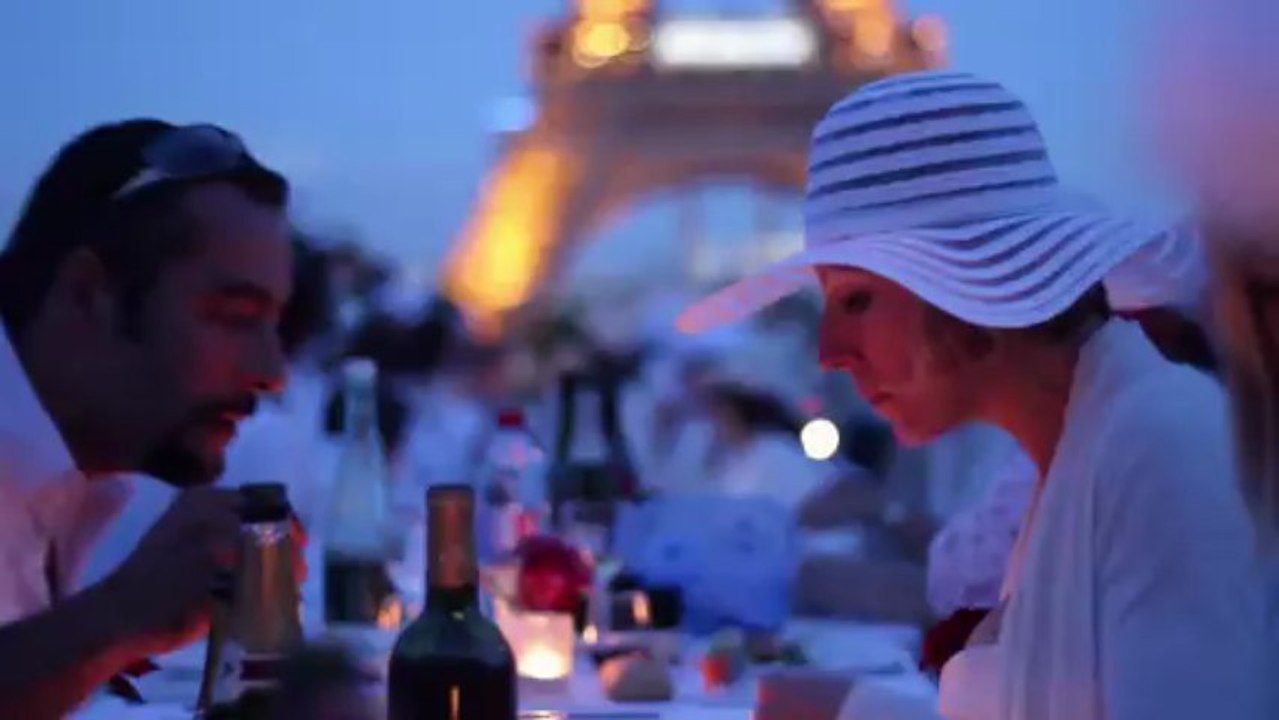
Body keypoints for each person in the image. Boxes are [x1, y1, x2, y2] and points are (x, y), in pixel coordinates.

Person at [679, 70, 1271, 720]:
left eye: (856, 298)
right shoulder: (1088, 445)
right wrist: (852, 706)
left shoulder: (1158, 443)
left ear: (969, 288)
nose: (829, 352)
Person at [0, 119, 292, 716]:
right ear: (86, 295)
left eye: (274, 326)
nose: (272, 370)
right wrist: (120, 616)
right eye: (234, 317)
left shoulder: (69, 479)